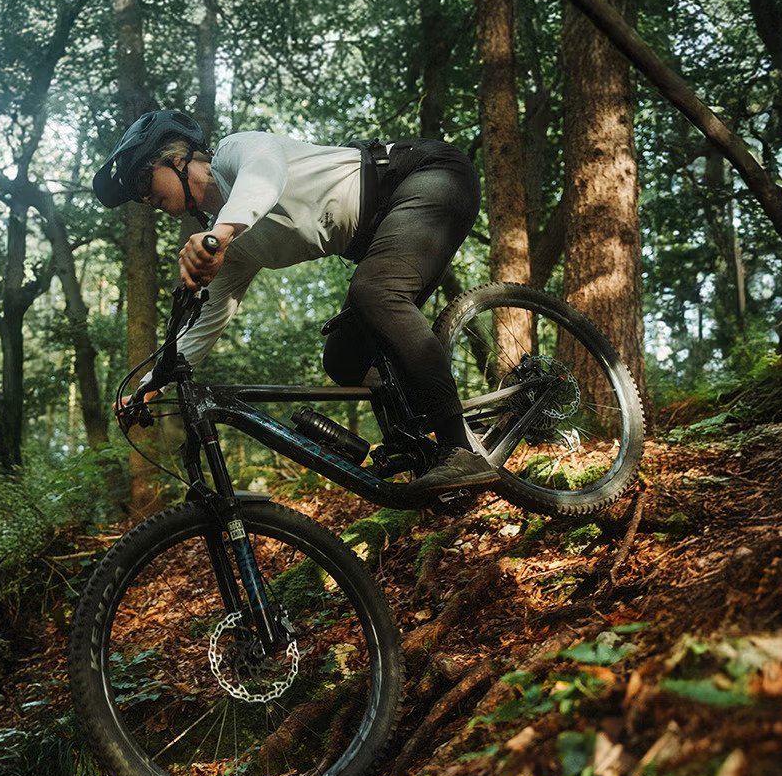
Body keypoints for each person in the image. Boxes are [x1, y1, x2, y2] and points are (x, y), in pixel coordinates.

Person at [93, 108, 493, 493]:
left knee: (375, 292)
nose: (144, 199)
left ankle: (460, 448)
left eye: (144, 182)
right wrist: (150, 386)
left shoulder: (236, 152)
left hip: (427, 177)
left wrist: (220, 236)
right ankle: (430, 446)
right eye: (137, 196)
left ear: (177, 158)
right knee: (344, 358)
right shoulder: (228, 240)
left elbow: (264, 178)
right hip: (388, 229)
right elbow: (205, 321)